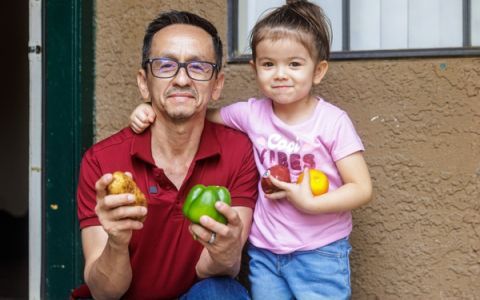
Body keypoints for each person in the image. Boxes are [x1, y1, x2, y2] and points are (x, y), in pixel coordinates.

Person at [130, 1, 373, 299]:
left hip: (320, 252)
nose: (281, 74)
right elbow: (197, 112)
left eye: (294, 64)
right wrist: (149, 110)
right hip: (265, 253)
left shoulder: (332, 122)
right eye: (269, 64)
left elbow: (361, 188)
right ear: (254, 68)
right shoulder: (250, 114)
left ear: (318, 71)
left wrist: (309, 204)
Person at [76, 10, 259, 300]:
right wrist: (117, 242)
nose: (182, 79)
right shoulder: (103, 162)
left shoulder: (238, 152)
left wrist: (225, 251)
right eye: (165, 65)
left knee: (222, 293)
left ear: (217, 85)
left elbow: (213, 270)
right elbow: (104, 292)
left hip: (196, 294)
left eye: (198, 67)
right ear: (143, 83)